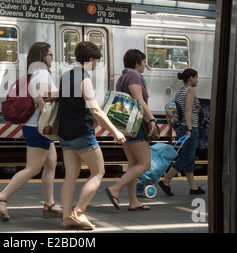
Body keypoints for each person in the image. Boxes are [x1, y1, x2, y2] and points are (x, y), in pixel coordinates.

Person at [0, 42, 62, 221]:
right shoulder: (43, 74)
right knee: (33, 168)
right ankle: (1, 198)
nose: (53, 58)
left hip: (34, 126)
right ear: (42, 57)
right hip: (39, 127)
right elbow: (46, 99)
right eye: (50, 55)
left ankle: (49, 204)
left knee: (51, 163)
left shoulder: (32, 74)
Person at [58, 41, 126, 230]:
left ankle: (66, 217)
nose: (96, 64)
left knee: (71, 175)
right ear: (90, 59)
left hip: (65, 133)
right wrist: (115, 131)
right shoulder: (84, 79)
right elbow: (95, 110)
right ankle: (78, 212)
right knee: (98, 172)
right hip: (81, 132)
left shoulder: (65, 76)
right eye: (95, 60)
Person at [105, 49, 157, 211]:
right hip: (136, 125)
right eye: (143, 62)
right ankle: (115, 188)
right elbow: (138, 99)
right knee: (145, 163)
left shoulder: (122, 78)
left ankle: (133, 201)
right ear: (137, 63)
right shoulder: (134, 76)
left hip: (125, 125)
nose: (145, 66)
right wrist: (152, 119)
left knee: (133, 163)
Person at [158, 68, 205, 195]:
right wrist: (190, 129)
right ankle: (166, 181)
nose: (197, 80)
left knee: (189, 157)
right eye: (196, 77)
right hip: (188, 127)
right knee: (186, 157)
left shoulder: (179, 92)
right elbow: (188, 110)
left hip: (180, 126)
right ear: (190, 78)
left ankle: (193, 187)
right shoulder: (191, 90)